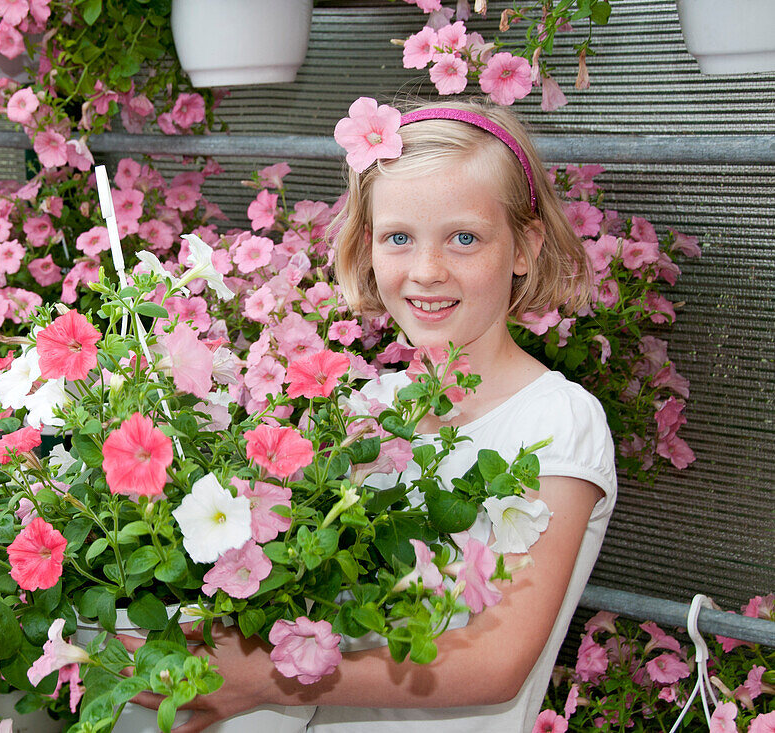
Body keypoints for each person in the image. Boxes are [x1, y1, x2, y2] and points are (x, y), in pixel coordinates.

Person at [134, 99, 617, 733]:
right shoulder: (368, 408)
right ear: (368, 246)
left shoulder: (557, 421)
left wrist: (261, 677)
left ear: (525, 247)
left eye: (464, 237)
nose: (426, 271)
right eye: (398, 238)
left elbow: (498, 662)